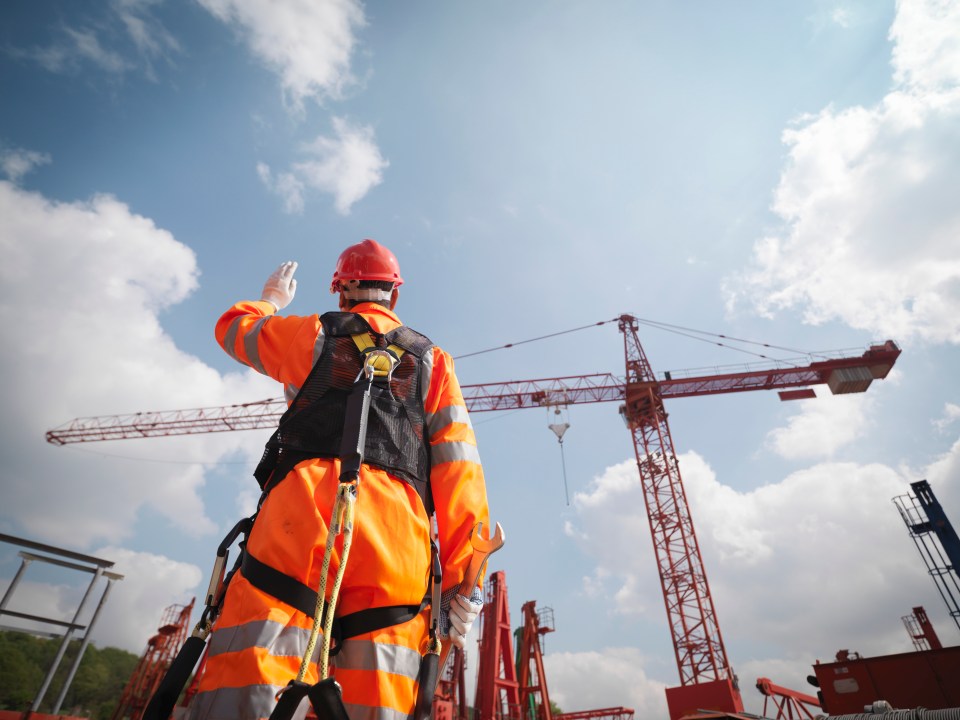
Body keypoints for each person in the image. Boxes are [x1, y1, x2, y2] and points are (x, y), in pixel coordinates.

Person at [191, 239, 490, 720]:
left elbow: (232, 329)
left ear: (341, 290)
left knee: (254, 671)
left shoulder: (311, 334)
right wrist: (464, 581)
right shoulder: (434, 361)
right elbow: (460, 470)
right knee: (379, 689)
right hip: (396, 538)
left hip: (300, 518)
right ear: (395, 294)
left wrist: (269, 300)